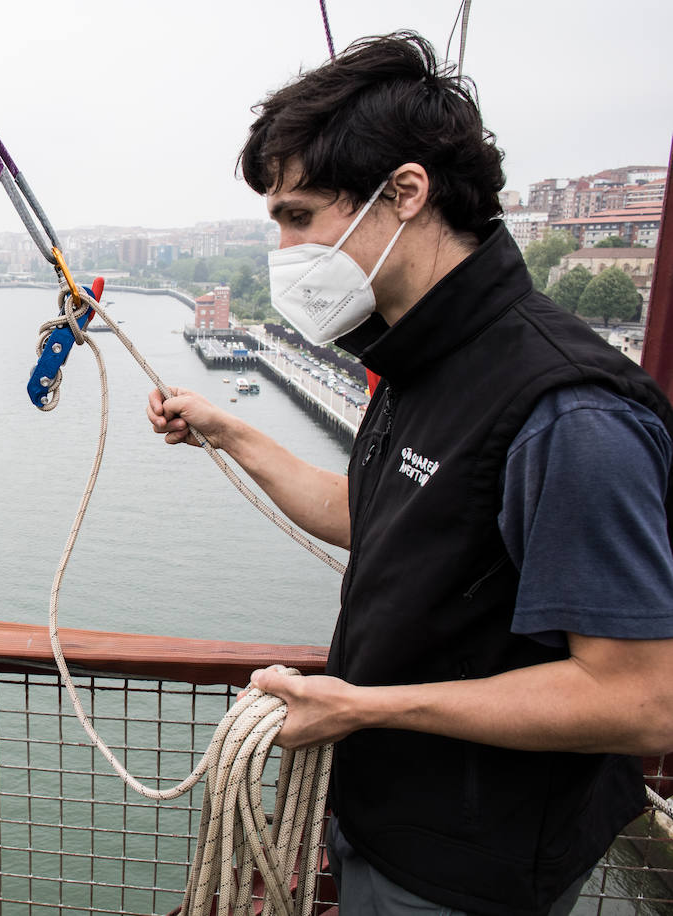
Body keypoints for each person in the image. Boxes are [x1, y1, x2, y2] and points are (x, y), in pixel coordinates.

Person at [147, 33, 673, 916]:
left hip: (472, 864)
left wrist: (365, 709)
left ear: (405, 193)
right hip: (389, 813)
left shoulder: (568, 410)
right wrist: (230, 431)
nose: (282, 247)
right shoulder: (425, 358)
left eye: (299, 214)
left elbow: (638, 698)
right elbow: (387, 517)